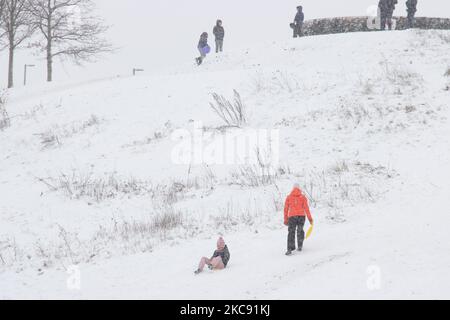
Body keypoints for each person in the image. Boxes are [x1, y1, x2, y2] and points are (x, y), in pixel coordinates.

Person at [284, 184, 313, 256]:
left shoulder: (289, 197)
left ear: (292, 189)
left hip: (292, 217)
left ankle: (290, 249)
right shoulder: (303, 197)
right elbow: (306, 209)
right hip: (301, 216)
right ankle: (300, 245)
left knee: (291, 232)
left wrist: (285, 219)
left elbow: (285, 209)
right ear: (299, 189)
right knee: (300, 230)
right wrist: (310, 219)